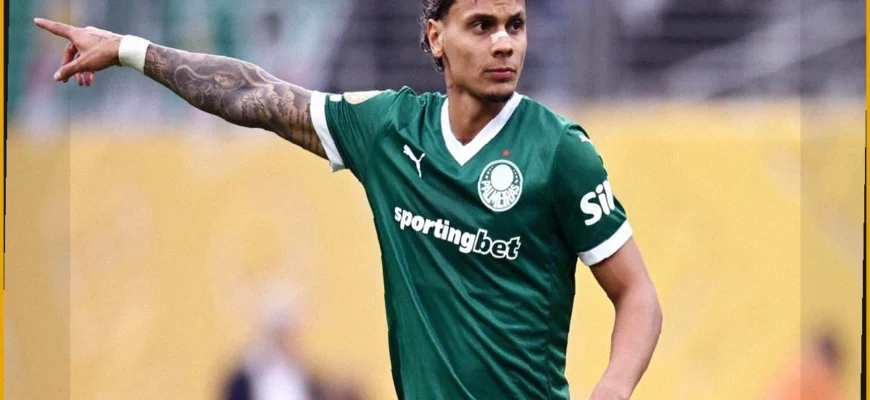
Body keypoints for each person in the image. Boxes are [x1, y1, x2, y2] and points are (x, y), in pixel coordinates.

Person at [35, 1, 662, 398]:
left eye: (515, 25)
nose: (505, 43)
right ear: (435, 36)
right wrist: (130, 50)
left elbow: (637, 295)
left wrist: (612, 389)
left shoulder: (559, 151)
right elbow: (253, 96)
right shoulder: (389, 130)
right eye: (482, 25)